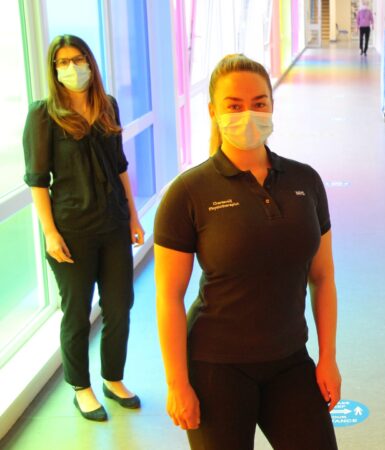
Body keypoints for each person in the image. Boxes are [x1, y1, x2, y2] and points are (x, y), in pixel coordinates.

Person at [154, 54, 340, 450]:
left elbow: (322, 278)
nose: (248, 114)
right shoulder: (188, 192)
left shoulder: (305, 181)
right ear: (213, 112)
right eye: (234, 106)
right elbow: (169, 296)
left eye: (258, 103)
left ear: (272, 105)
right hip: (215, 365)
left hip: (289, 358)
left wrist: (328, 357)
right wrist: (177, 383)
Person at [22, 35, 143, 422]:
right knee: (76, 314)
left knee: (120, 306)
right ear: (53, 69)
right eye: (62, 62)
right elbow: (38, 180)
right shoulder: (43, 114)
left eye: (78, 59)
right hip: (71, 230)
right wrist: (49, 232)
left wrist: (135, 218)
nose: (71, 67)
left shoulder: (108, 107)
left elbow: (120, 167)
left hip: (113, 223)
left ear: (90, 62)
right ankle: (81, 387)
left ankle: (113, 378)